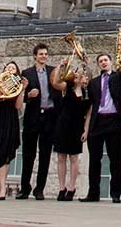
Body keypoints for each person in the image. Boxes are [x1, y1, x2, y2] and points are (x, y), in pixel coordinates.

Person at [80, 51, 121, 203]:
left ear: (111, 62)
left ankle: (116, 193)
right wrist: (83, 88)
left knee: (115, 159)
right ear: (98, 64)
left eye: (106, 60)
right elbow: (89, 104)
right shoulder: (94, 82)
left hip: (113, 120)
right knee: (94, 160)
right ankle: (93, 193)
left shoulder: (117, 77)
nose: (103, 63)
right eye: (100, 61)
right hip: (98, 122)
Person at [19, 44, 58, 200]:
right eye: (41, 54)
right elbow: (21, 95)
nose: (43, 56)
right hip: (33, 117)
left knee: (45, 155)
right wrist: (29, 95)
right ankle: (24, 188)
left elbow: (59, 86)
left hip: (49, 116)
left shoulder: (53, 71)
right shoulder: (26, 73)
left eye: (45, 54)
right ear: (35, 56)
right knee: (28, 155)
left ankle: (39, 189)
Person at [50, 56, 90, 202]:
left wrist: (86, 130)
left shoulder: (87, 93)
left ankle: (72, 187)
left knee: (74, 157)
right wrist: (61, 66)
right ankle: (62, 187)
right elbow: (55, 82)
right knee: (61, 156)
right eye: (77, 73)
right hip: (63, 123)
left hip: (77, 125)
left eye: (81, 73)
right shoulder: (67, 87)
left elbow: (89, 114)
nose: (78, 75)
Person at [0, 62, 26, 201]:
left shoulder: (17, 87)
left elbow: (18, 105)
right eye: (8, 67)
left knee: (6, 152)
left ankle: (1, 187)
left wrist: (22, 90)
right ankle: (1, 186)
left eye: (13, 68)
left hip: (10, 119)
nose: (10, 69)